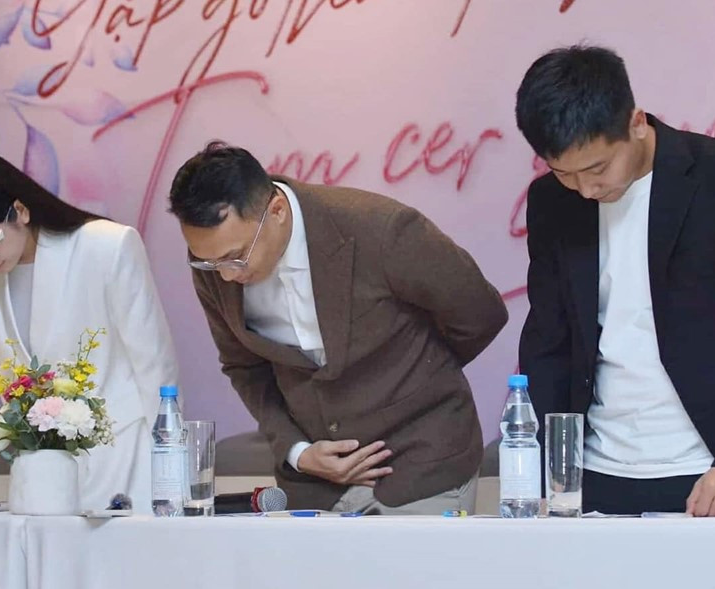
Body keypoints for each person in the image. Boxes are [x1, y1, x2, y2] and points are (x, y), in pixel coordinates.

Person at [515, 45, 715, 516]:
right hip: (598, 473)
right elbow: (548, 337)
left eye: (597, 168)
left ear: (635, 123)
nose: (586, 190)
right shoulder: (551, 201)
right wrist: (550, 466)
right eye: (564, 173)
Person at [168, 142, 507, 514]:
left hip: (422, 465)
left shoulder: (381, 229)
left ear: (277, 211)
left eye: (237, 257)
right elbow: (244, 367)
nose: (227, 275)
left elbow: (480, 312)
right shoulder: (214, 261)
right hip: (316, 484)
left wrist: (415, 376)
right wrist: (298, 452)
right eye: (209, 263)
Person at [0, 148, 179, 513]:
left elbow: (156, 365)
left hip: (125, 455)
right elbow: (15, 380)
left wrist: (172, 470)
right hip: (42, 470)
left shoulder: (106, 245)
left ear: (20, 210)